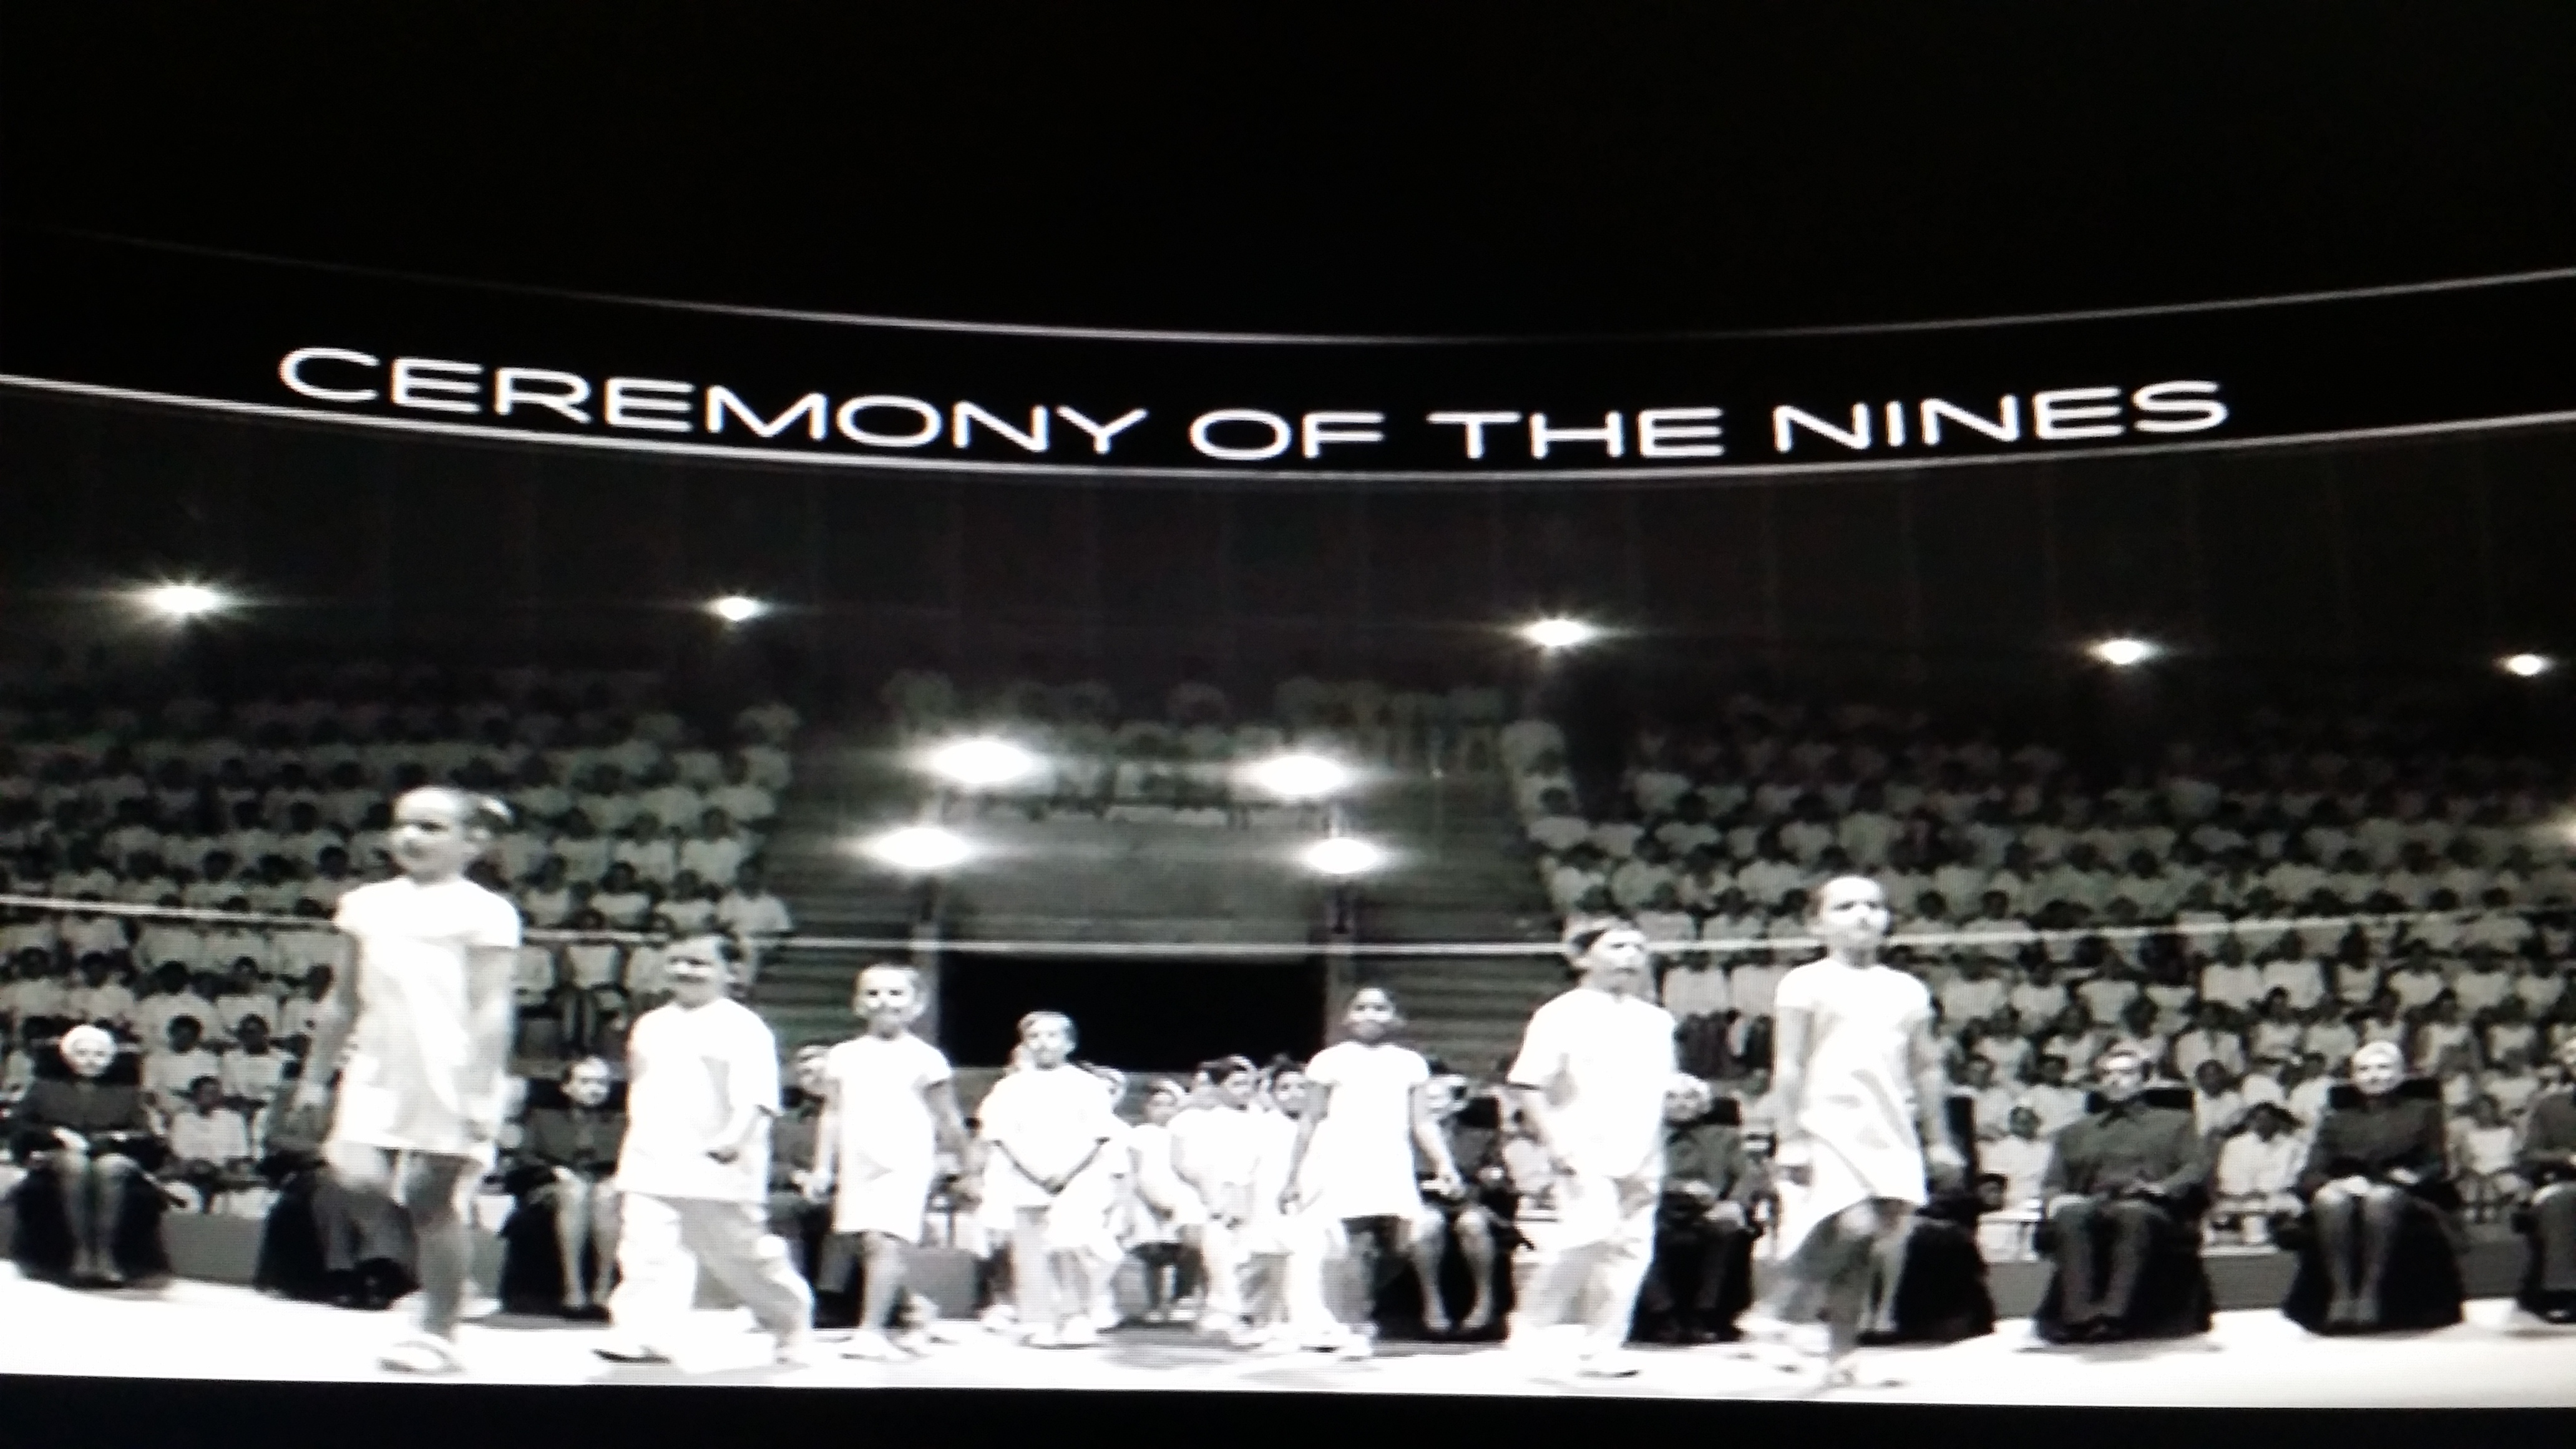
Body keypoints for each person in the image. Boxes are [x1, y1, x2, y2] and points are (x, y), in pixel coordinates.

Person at [283, 787, 524, 1374]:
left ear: (471, 842)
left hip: (453, 1072)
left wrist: (479, 1088)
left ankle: (438, 1331)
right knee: (353, 1176)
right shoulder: (364, 904)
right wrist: (315, 1078)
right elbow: (342, 1000)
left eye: (431, 827)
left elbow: (492, 1007)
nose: (412, 837)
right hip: (376, 1068)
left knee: (431, 1200)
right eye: (403, 824)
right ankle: (443, 1277)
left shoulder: (487, 911)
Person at [1738, 877, 1966, 1388]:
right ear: (1816, 924)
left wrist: (1938, 1138)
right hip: (1826, 1121)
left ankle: (1841, 1357)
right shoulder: (1804, 983)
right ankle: (1775, 1310)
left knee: (1866, 1246)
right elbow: (1789, 1063)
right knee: (1854, 1226)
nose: (1862, 915)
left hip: (1888, 1124)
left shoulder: (1907, 989)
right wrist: (1790, 1136)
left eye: (1873, 905)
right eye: (1845, 907)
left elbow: (1927, 1066)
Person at [596, 935, 817, 1367]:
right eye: (676, 962)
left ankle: (791, 1322)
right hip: (651, 1158)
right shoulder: (650, 1025)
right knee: (646, 1250)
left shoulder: (744, 1027)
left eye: (698, 963)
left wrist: (734, 1138)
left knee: (742, 1256)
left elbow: (757, 1096)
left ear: (730, 973)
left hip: (721, 1164)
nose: (684, 971)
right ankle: (642, 1332)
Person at [1503, 917, 1676, 1378]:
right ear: (1583, 958)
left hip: (1643, 1149)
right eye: (1617, 946)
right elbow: (1528, 1083)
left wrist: (1683, 1095)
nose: (1630, 956)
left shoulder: (1657, 1021)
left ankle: (1602, 1347)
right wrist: (1556, 1142)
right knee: (1586, 1237)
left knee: (1630, 1252)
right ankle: (1531, 1328)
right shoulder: (1560, 1014)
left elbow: (1661, 1085)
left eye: (1637, 948)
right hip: (1582, 1147)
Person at [1281, 985, 1464, 1354]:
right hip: (1345, 1160)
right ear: (1348, 1017)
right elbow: (1311, 1119)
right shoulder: (1329, 1061)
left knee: (1399, 1245)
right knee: (1355, 1242)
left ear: (1395, 1017)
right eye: (1362, 1008)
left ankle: (1363, 1309)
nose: (1370, 1015)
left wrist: (1444, 1164)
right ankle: (1355, 1324)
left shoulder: (1410, 1064)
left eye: (1380, 1008)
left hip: (1391, 1161)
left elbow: (1422, 1122)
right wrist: (1293, 1176)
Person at [804, 964, 969, 1360]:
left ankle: (871, 1331)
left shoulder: (926, 1058)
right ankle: (918, 1309)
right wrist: (823, 1166)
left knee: (885, 1240)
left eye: (896, 993)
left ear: (917, 1004)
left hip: (906, 1159)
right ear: (858, 1002)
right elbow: (833, 1113)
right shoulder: (843, 1055)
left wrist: (967, 1166)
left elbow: (948, 1117)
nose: (884, 1002)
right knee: (867, 1243)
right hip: (859, 1160)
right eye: (873, 993)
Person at [2033, 1043, 2210, 1342]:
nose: (2115, 1081)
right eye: (2107, 1075)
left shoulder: (2175, 1122)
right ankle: (2079, 1316)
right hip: (2092, 1201)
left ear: (2145, 1079)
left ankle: (2114, 1313)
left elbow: (2194, 1167)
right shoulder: (2075, 1131)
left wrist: (2161, 1188)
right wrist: (2057, 1200)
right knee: (2071, 1214)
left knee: (2131, 1214)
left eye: (2126, 1073)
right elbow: (2053, 1182)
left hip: (2146, 1201)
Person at [975, 1010, 1125, 1348]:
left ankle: (1076, 1315)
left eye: (1052, 1036)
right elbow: (1001, 1134)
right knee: (1031, 1254)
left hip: (1076, 1178)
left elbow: (1099, 1134)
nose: (1043, 1044)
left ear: (1069, 1044)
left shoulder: (1087, 1085)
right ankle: (1039, 1320)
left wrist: (1065, 1173)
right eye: (1035, 1037)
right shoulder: (1010, 1088)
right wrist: (1036, 1172)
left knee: (1072, 1245)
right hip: (1026, 1178)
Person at [2286, 1040, 2457, 1334]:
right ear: (2353, 1078)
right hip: (2348, 1187)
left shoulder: (2424, 1111)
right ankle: (2341, 1294)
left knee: (2380, 1199)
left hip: (2402, 1189)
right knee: (2330, 1200)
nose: (2374, 1076)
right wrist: (2339, 1182)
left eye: (2383, 1068)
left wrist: (2412, 1177)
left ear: (2401, 1074)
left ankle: (2370, 1293)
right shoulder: (2336, 1119)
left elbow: (2436, 1163)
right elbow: (2312, 1171)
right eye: (2364, 1070)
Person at [6, 1023, 165, 1286]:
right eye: (82, 1054)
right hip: (60, 1153)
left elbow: (144, 1133)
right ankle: (82, 1253)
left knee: (110, 1169)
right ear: (68, 1055)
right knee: (75, 1165)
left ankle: (104, 1254)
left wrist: (117, 1138)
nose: (91, 1061)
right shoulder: (44, 1088)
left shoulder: (127, 1094)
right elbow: (21, 1125)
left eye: (99, 1055)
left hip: (111, 1153)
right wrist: (55, 1133)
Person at [1632, 1073, 1760, 1345]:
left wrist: (1734, 1203)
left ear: (1704, 1104)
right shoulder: (1646, 1136)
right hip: (1658, 1208)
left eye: (1690, 1097)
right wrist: (1676, 1187)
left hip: (1710, 1209)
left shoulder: (1725, 1137)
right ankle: (1663, 1316)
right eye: (1672, 1097)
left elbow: (1747, 1176)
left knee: (1726, 1231)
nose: (1681, 1103)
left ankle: (1706, 1315)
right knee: (1642, 1235)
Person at [520, 1056, 626, 1317]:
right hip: (553, 1184)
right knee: (575, 1193)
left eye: (601, 1083)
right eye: (586, 1082)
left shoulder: (622, 1120)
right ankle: (574, 1290)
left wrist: (617, 1178)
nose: (595, 1089)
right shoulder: (543, 1118)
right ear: (566, 1087)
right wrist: (555, 1171)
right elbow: (525, 1157)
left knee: (605, 1197)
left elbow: (632, 1159)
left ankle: (603, 1289)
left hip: (606, 1183)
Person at [2514, 1034, 2576, 1322]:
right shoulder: (2548, 1105)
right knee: (2558, 1200)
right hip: (2566, 1181)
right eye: (2572, 1054)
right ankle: (2565, 1293)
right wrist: (2567, 1158)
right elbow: (2528, 1155)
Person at [2212, 1103, 2306, 1242]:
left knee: (2259, 1209)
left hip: (2277, 1197)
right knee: (2229, 1213)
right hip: (2238, 1198)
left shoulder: (2292, 1146)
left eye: (2268, 1120)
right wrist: (2246, 1193)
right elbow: (2227, 1174)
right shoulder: (2234, 1145)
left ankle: (2261, 1245)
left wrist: (2262, 1191)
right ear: (2252, 1121)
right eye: (2259, 1119)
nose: (2263, 1124)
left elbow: (2291, 1176)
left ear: (2277, 1122)